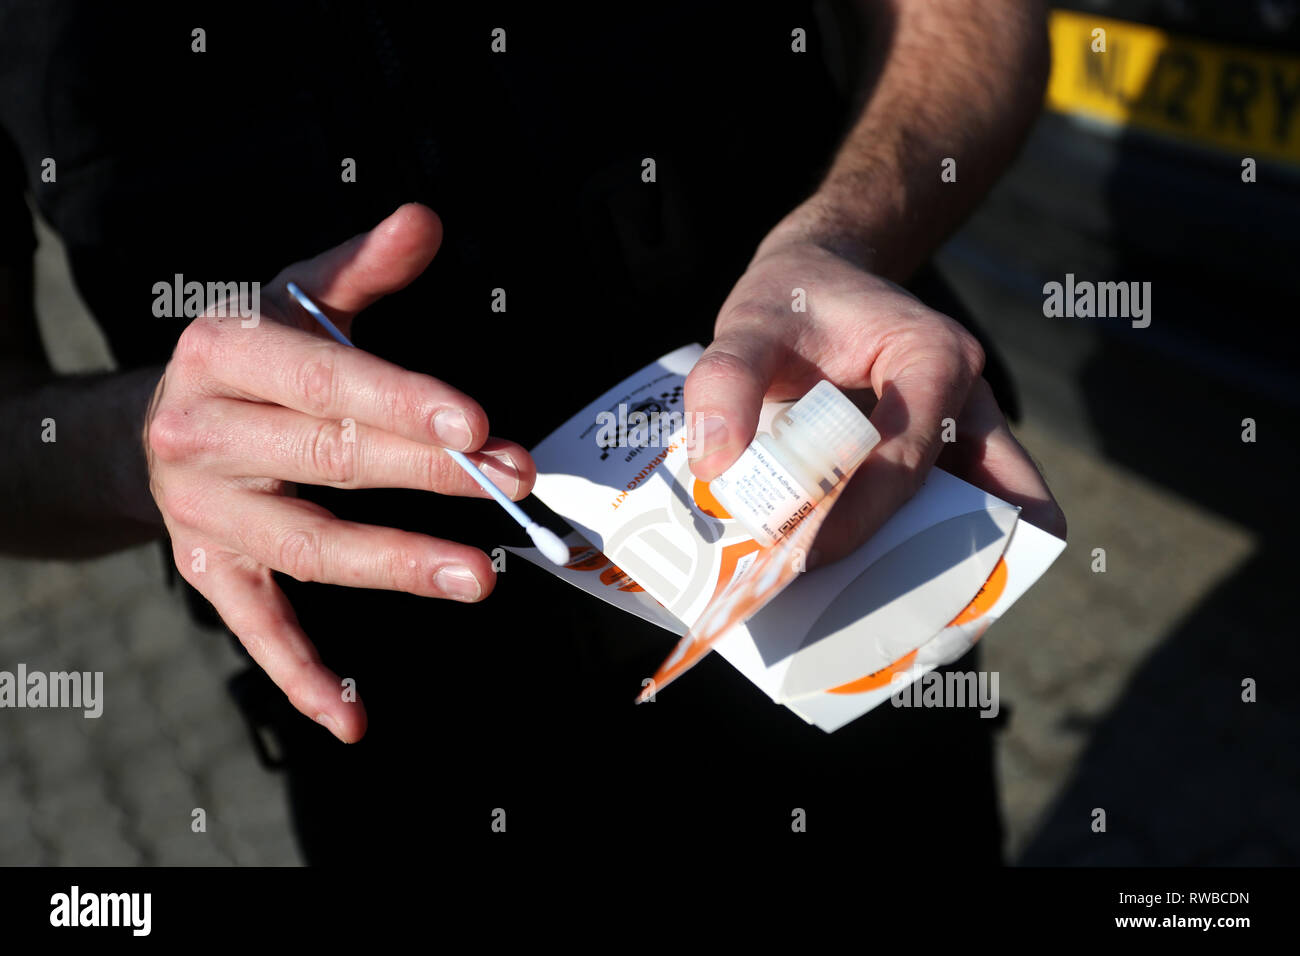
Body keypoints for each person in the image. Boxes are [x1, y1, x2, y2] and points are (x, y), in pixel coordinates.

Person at [0, 2, 1064, 862]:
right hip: (412, 760)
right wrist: (135, 443)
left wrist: (850, 235)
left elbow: (971, 20)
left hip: (851, 633)